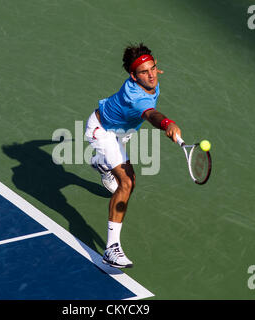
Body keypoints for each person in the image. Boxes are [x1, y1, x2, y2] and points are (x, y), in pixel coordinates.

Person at [85, 43, 182, 268]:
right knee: (127, 182)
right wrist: (167, 123)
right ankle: (111, 249)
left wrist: (151, 69)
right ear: (133, 76)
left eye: (153, 68)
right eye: (144, 72)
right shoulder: (136, 97)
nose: (151, 75)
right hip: (102, 131)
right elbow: (151, 114)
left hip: (123, 131)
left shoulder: (150, 79)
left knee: (118, 170)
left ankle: (102, 164)